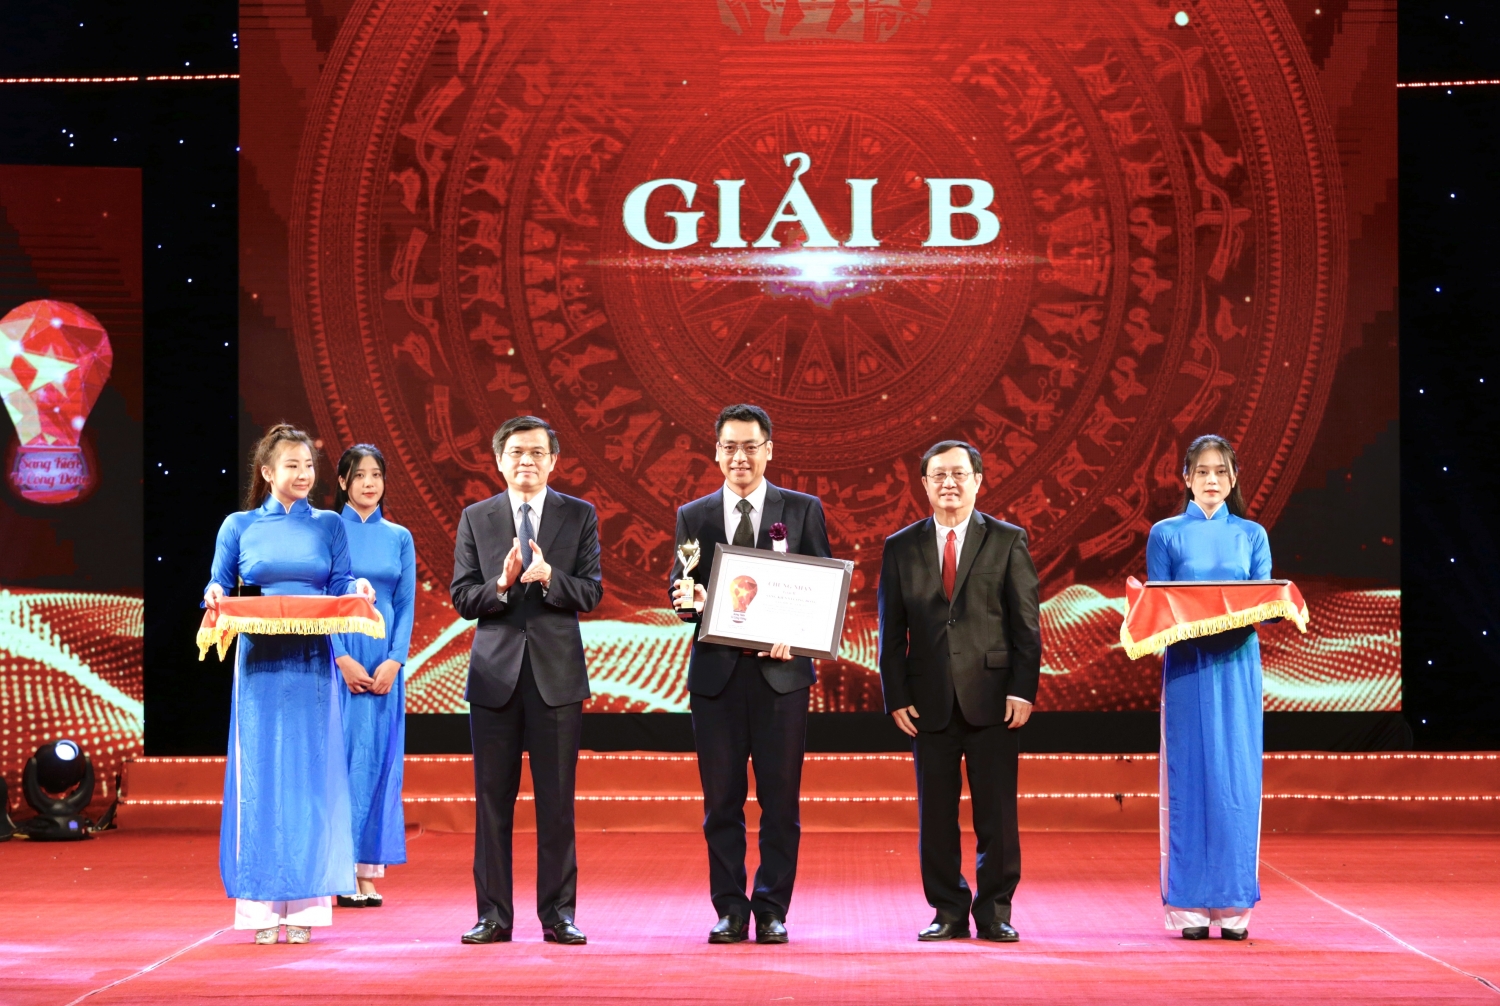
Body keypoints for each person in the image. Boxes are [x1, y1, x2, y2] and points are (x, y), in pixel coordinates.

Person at [204, 424, 376, 945]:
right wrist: (213, 593)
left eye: (308, 466)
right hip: (258, 659)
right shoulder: (238, 525)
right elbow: (219, 581)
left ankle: (304, 908)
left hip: (311, 659)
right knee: (259, 777)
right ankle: (259, 910)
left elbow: (341, 583)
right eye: (292, 465)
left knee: (309, 776)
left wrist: (357, 586)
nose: (303, 474)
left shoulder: (329, 525)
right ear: (267, 471)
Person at [668, 404, 833, 945]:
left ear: (769, 450)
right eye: (730, 446)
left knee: (780, 801)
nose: (740, 456)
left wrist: (797, 635)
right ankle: (730, 909)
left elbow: (821, 589)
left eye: (750, 446)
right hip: (715, 680)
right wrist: (685, 601)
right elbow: (681, 588)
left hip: (781, 678)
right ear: (716, 452)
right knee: (721, 801)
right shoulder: (694, 515)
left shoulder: (802, 510)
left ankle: (772, 908)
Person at [877, 440, 1041, 943]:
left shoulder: (1007, 540)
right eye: (938, 475)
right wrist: (895, 694)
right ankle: (947, 909)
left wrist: (1023, 689)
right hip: (927, 701)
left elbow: (1026, 624)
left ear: (978, 481)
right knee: (936, 816)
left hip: (994, 698)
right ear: (924, 484)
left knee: (997, 814)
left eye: (959, 474)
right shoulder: (900, 546)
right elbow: (890, 629)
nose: (949, 483)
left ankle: (994, 911)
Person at [451, 415, 603, 946]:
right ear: (499, 460)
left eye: (537, 452)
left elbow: (591, 592)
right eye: (516, 452)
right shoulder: (477, 517)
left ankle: (558, 915)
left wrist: (551, 578)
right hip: (494, 676)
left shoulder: (579, 514)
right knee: (492, 801)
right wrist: (501, 584)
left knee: (556, 803)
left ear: (553, 460)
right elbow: (462, 596)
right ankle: (493, 915)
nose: (527, 462)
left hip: (556, 677)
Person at [1147, 434, 1271, 941]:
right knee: (1189, 777)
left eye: (1221, 471)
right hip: (1186, 666)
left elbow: (1264, 598)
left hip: (1238, 665)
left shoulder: (1252, 535)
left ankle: (1234, 906)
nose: (1212, 480)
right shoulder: (1165, 534)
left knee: (1236, 777)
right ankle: (1190, 907)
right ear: (1186, 478)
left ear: (1234, 477)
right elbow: (1157, 605)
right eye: (1202, 471)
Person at [330, 444, 415, 908]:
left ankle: (366, 871)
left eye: (376, 475)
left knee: (378, 764)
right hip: (341, 658)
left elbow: (405, 603)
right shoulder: (328, 529)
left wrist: (396, 660)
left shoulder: (399, 536)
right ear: (342, 481)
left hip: (384, 662)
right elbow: (319, 598)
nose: (369, 483)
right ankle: (337, 868)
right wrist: (340, 657)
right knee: (343, 761)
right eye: (359, 475)